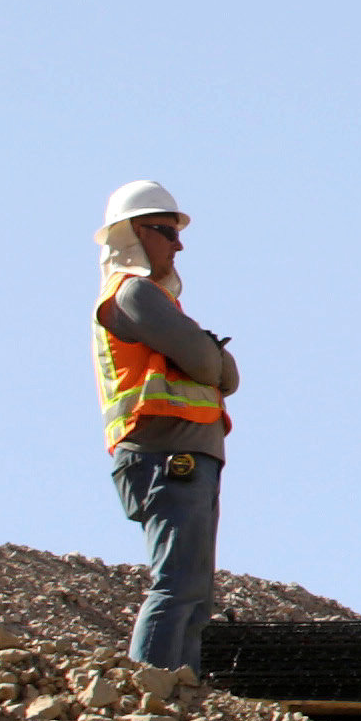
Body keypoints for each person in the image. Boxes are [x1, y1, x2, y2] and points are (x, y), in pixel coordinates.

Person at [91, 180, 238, 670]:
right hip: (165, 456)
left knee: (194, 593)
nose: (179, 246)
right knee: (177, 585)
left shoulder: (158, 301)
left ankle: (181, 693)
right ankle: (149, 691)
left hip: (189, 456)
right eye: (167, 232)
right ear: (133, 234)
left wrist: (211, 358)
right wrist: (210, 353)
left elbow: (227, 376)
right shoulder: (132, 293)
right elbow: (206, 363)